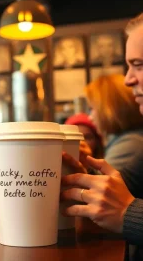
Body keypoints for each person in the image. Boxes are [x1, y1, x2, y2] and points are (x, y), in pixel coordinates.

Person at [61, 13, 143, 245]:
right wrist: (83, 168)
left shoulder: (133, 143)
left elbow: (122, 203)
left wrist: (129, 213)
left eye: (139, 65)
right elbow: (118, 188)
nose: (128, 80)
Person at [85, 74, 143, 172]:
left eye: (92, 109)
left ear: (110, 109)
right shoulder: (128, 139)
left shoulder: (129, 145)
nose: (90, 117)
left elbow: (99, 184)